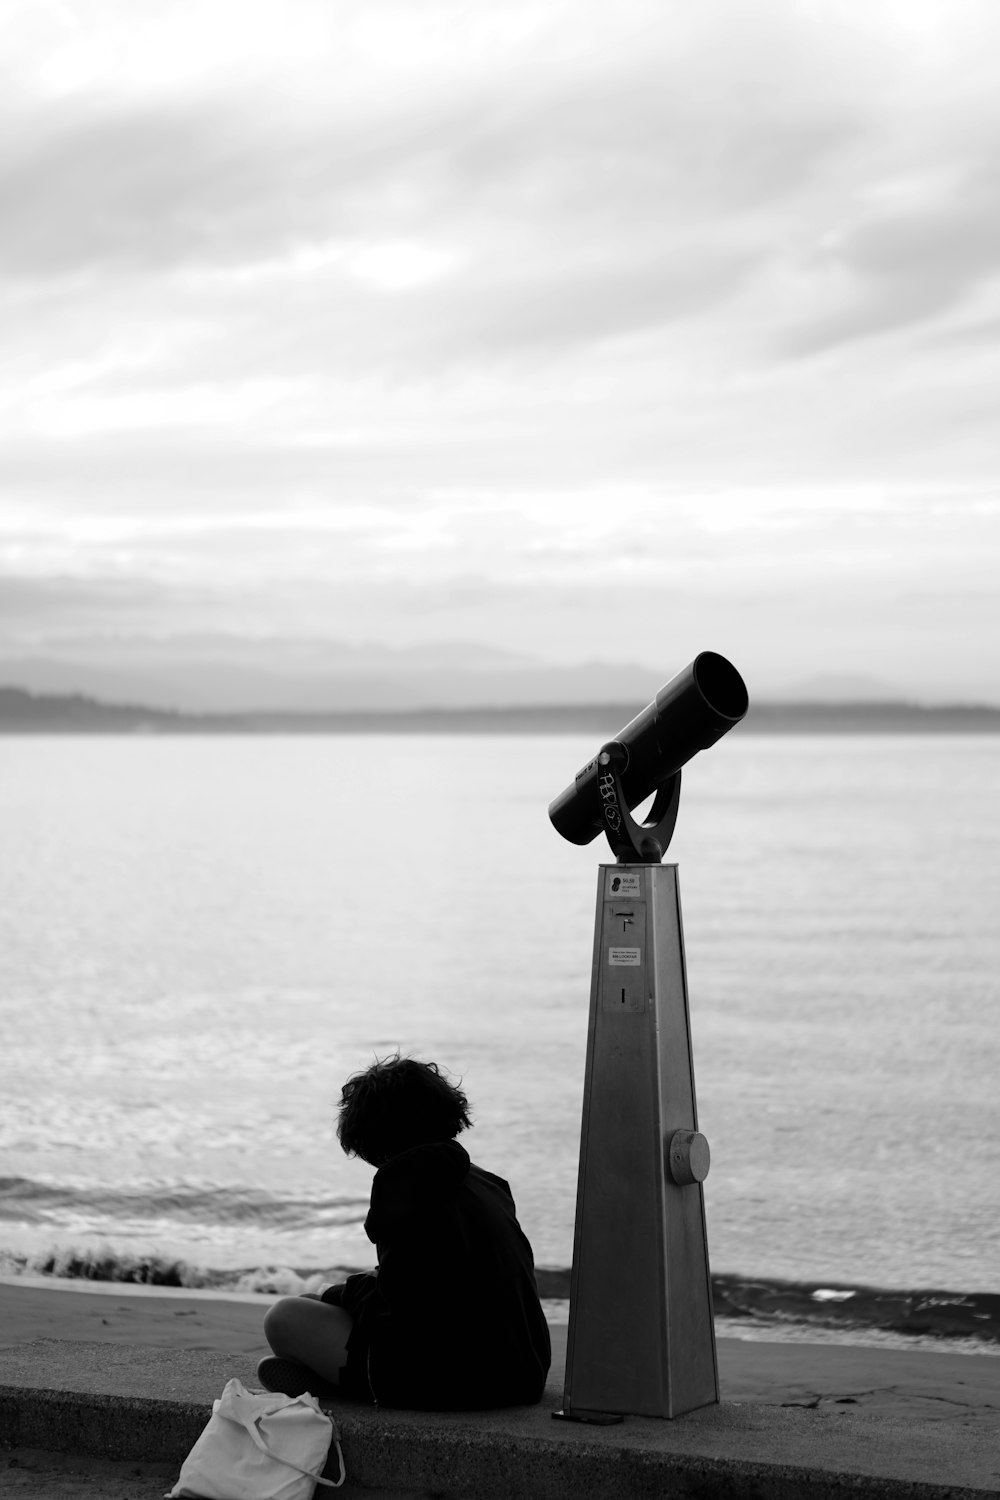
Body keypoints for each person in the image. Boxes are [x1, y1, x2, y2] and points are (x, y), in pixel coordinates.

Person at [257, 1055, 552, 1410]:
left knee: (285, 1316)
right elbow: (435, 1283)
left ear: (369, 1133)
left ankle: (348, 1384)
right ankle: (334, 1378)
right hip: (521, 1373)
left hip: (456, 1380)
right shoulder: (485, 1183)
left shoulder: (405, 1183)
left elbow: (399, 1309)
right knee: (320, 1301)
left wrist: (340, 1293)